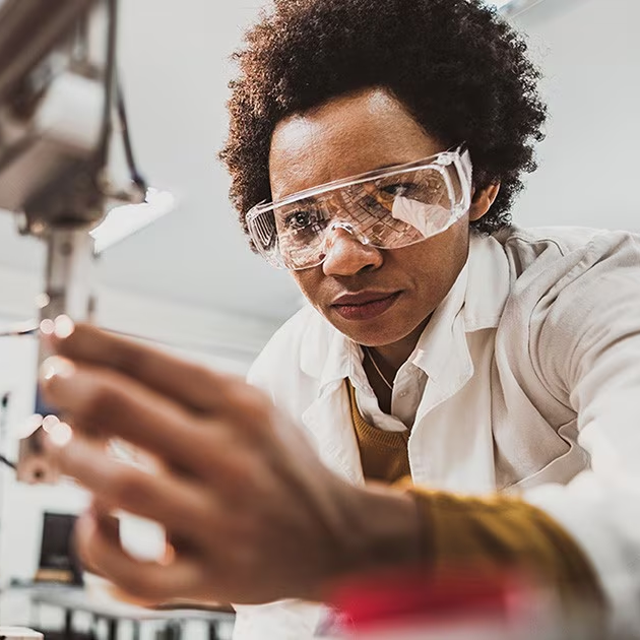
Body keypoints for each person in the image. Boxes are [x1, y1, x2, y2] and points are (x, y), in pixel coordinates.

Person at [38, 0, 640, 638]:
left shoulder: (584, 296)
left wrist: (360, 540)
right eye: (302, 219)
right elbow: (281, 623)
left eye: (394, 194)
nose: (345, 257)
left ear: (479, 184)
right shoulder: (286, 368)